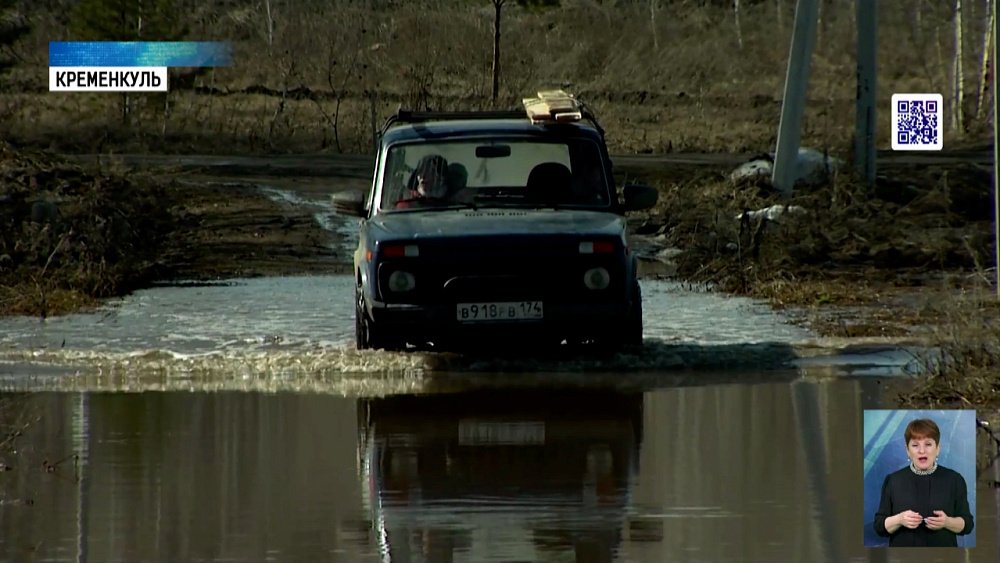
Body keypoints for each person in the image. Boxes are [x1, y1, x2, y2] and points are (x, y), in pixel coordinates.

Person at [873, 418, 974, 547]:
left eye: (928, 444)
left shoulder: (954, 479)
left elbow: (968, 525)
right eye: (915, 445)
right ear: (907, 450)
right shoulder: (893, 480)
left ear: (937, 448)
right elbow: (879, 526)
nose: (922, 451)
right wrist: (899, 519)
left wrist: (947, 522)